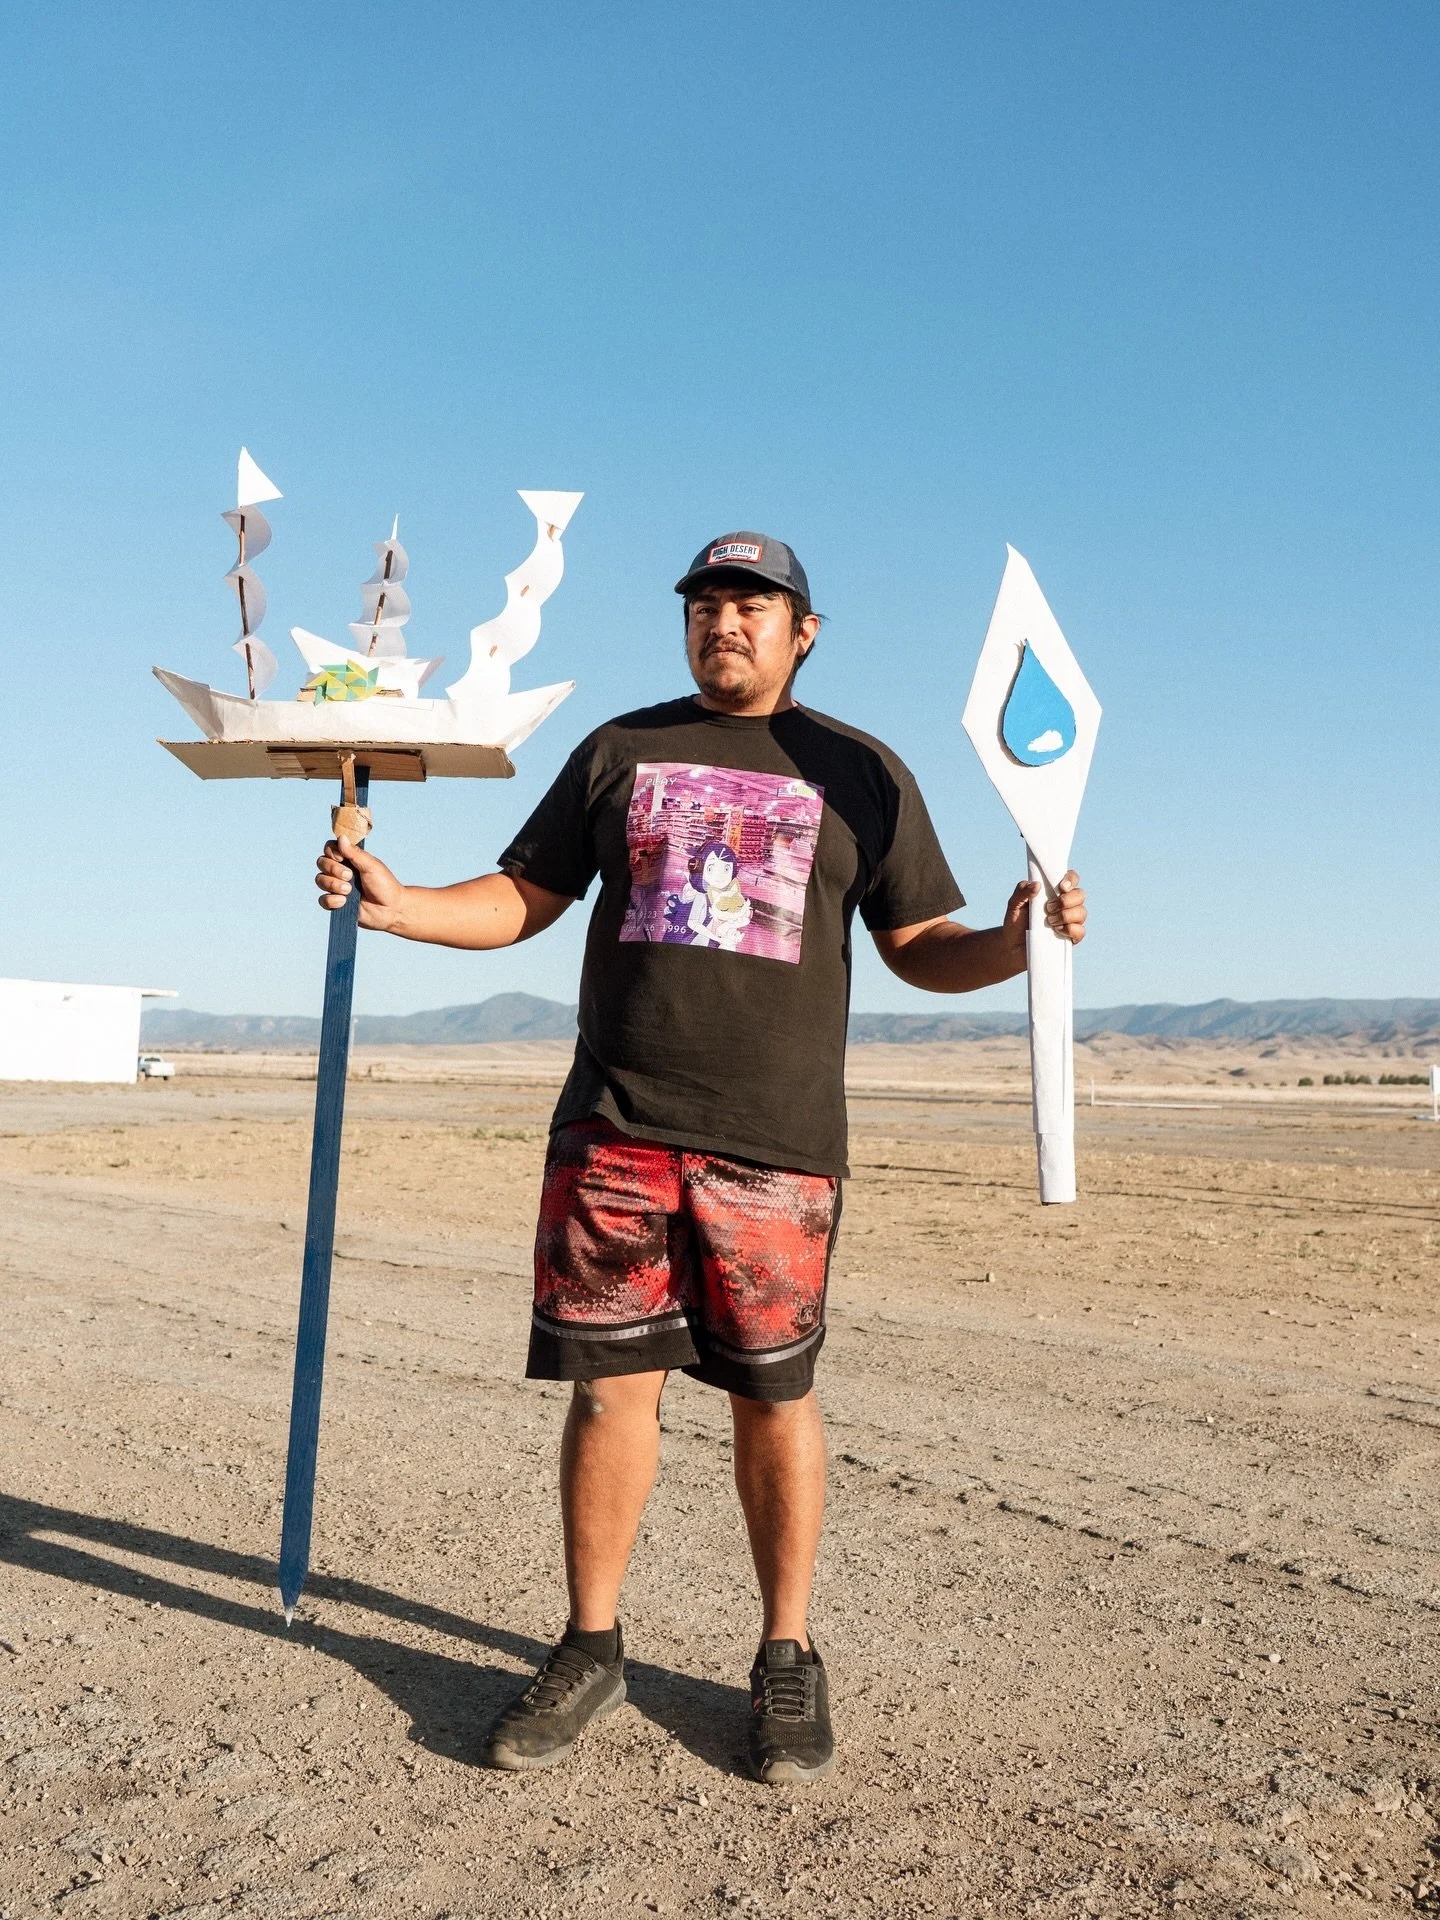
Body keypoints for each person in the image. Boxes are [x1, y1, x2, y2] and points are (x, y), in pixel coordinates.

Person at [314, 530, 1087, 1784]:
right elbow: (524, 897)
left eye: (751, 604)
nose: (723, 622)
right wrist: (401, 908)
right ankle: (591, 1646)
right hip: (616, 1128)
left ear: (803, 629)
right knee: (609, 1391)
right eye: (705, 605)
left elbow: (920, 946)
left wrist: (1015, 943)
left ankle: (786, 1655)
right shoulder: (620, 751)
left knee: (773, 1397)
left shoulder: (861, 771)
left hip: (777, 1147)